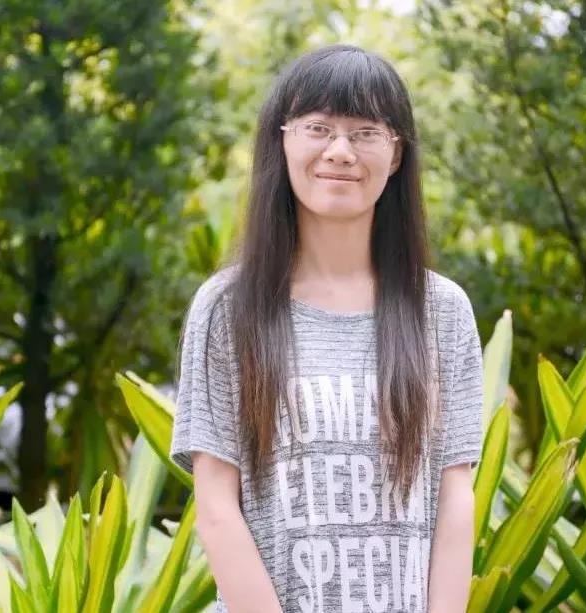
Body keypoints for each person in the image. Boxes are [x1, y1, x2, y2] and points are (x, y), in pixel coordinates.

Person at [170, 44, 483, 613]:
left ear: (396, 154)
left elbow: (454, 498)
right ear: (282, 141)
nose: (340, 151)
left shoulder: (442, 311)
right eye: (318, 128)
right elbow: (216, 507)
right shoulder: (228, 308)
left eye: (366, 132)